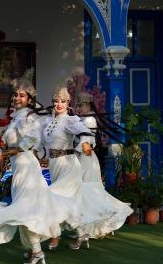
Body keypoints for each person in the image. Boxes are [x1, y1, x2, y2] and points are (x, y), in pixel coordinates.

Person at [0, 70, 78, 264]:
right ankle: (35, 250)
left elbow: (31, 141)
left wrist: (5, 154)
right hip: (19, 168)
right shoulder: (17, 117)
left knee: (25, 210)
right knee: (25, 209)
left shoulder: (28, 118)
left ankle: (37, 251)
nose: (16, 98)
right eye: (15, 95)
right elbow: (10, 144)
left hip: (26, 168)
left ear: (30, 99)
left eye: (21, 95)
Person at [42, 86, 115, 250]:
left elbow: (87, 135)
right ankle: (82, 233)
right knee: (67, 202)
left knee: (55, 198)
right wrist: (41, 156)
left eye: (63, 101)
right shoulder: (49, 121)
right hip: (55, 164)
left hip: (69, 164)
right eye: (56, 101)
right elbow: (46, 143)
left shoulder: (71, 120)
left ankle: (55, 237)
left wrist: (82, 147)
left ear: (68, 104)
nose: (59, 104)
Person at [75, 92, 133, 238]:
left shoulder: (89, 120)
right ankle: (86, 225)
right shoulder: (82, 119)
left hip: (86, 159)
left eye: (81, 105)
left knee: (88, 191)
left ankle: (95, 224)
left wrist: (71, 150)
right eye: (78, 105)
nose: (79, 107)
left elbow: (86, 145)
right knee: (84, 192)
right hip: (83, 158)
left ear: (87, 105)